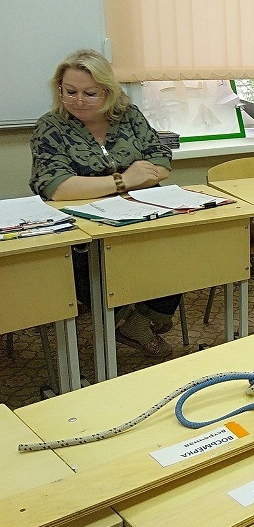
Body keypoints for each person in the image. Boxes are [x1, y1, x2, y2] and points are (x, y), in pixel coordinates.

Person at [29, 49, 179, 358]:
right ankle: (126, 319)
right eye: (70, 91)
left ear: (108, 91)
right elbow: (56, 186)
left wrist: (126, 181)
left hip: (140, 212)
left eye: (90, 93)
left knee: (179, 246)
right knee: (86, 264)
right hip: (83, 226)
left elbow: (161, 160)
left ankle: (142, 319)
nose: (78, 101)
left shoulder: (129, 115)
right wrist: (125, 180)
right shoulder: (51, 127)